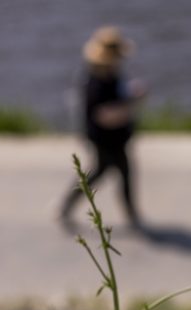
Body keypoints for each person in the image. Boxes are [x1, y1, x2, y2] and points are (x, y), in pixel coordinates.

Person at [60, 26, 146, 230]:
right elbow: (103, 116)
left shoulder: (108, 75)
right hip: (103, 138)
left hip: (115, 137)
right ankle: (66, 206)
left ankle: (131, 214)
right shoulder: (97, 82)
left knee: (119, 172)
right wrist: (132, 103)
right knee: (101, 172)